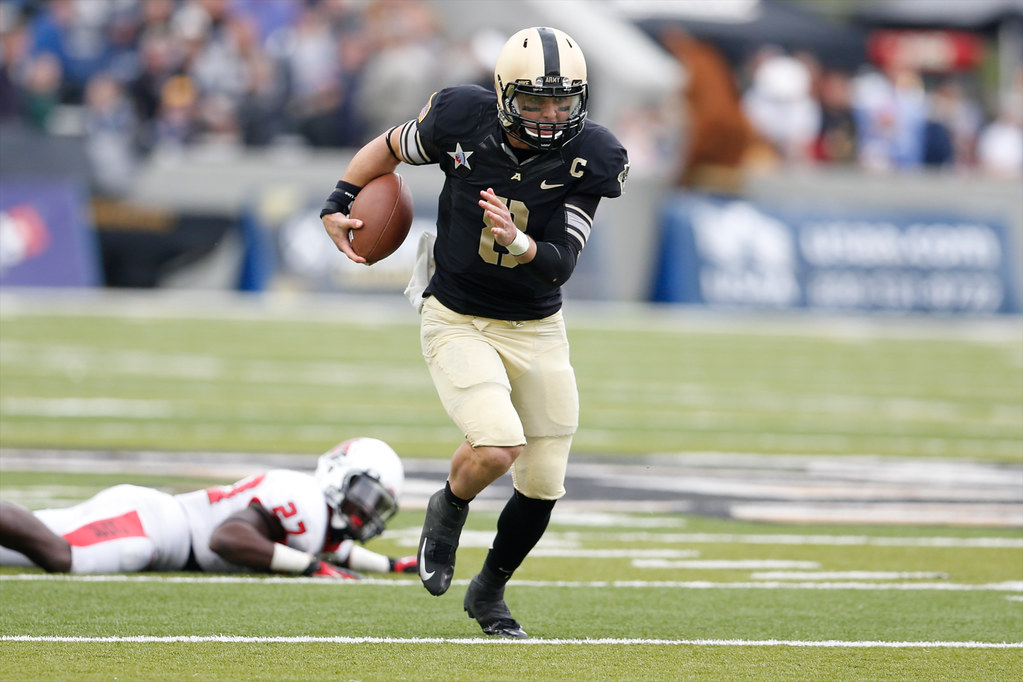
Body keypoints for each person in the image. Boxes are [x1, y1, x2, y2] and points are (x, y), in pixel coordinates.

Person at [320, 26, 629, 638]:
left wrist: (518, 240)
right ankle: (450, 507)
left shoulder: (594, 154)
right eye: (535, 100)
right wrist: (340, 198)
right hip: (456, 314)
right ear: (502, 93)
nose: (549, 114)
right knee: (496, 446)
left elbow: (562, 260)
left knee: (542, 483)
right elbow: (385, 149)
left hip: (538, 326)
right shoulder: (460, 118)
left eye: (562, 101)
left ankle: (489, 591)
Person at [0, 437, 417, 578]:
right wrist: (310, 568)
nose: (366, 512)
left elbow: (329, 549)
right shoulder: (305, 500)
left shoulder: (314, 512)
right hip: (157, 529)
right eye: (365, 496)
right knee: (62, 556)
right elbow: (228, 538)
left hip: (157, 520)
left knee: (22, 546)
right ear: (341, 475)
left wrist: (391, 566)